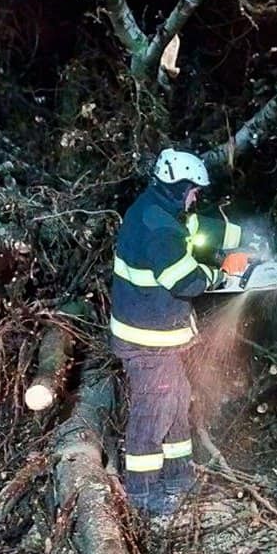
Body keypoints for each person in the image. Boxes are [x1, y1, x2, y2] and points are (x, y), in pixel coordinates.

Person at [110, 147, 227, 516]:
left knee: (178, 398)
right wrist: (219, 274)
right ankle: (142, 495)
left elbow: (197, 228)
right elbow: (184, 281)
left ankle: (178, 478)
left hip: (155, 334)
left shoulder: (158, 208)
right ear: (178, 186)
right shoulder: (159, 226)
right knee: (154, 409)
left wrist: (242, 240)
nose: (196, 198)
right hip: (146, 340)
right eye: (194, 190)